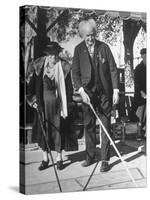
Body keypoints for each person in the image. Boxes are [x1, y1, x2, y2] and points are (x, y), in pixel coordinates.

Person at [72, 19, 119, 172]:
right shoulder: (78, 50)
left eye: (92, 35)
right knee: (89, 126)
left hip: (104, 94)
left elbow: (113, 69)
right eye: (87, 36)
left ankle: (105, 159)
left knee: (105, 126)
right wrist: (80, 91)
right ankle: (90, 156)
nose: (90, 38)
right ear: (82, 35)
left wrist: (116, 90)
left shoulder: (104, 47)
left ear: (95, 34)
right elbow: (75, 73)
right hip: (87, 94)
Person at [26, 41, 78, 171]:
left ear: (58, 54)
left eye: (54, 55)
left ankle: (59, 158)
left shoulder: (63, 67)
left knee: (58, 130)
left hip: (58, 106)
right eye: (50, 55)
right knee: (45, 130)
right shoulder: (39, 66)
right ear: (46, 55)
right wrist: (32, 100)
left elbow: (69, 89)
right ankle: (45, 159)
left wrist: (69, 104)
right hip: (42, 105)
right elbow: (31, 87)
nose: (52, 58)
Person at [130, 48, 146, 129]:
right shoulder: (138, 68)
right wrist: (142, 92)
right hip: (140, 95)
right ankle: (140, 128)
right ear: (142, 56)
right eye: (145, 56)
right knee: (139, 113)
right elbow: (137, 83)